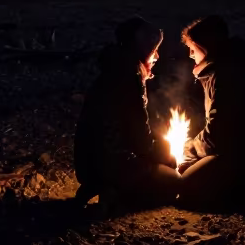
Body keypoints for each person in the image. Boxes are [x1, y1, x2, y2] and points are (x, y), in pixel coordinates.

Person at [73, 16, 179, 208]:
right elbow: (139, 136)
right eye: (154, 50)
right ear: (143, 49)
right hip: (111, 163)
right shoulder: (131, 74)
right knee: (174, 180)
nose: (157, 57)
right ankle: (117, 193)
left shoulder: (113, 69)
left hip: (87, 163)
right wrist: (161, 151)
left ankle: (101, 185)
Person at [178, 15, 245, 208]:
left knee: (183, 188)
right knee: (186, 171)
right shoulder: (228, 67)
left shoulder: (224, 76)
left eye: (192, 49)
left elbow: (217, 135)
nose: (190, 55)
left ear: (204, 47)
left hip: (240, 160)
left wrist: (191, 147)